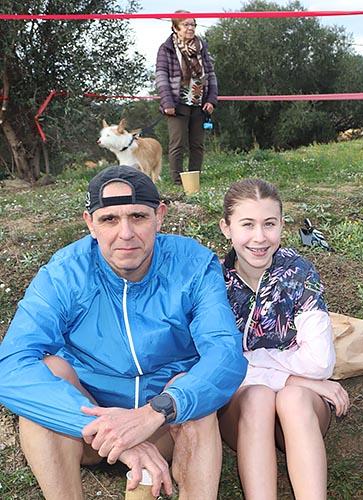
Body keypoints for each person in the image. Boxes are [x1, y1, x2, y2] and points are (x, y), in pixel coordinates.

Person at [0, 165, 246, 499]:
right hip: (86, 428)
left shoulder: (194, 264)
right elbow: (10, 365)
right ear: (90, 224)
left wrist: (158, 410)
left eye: (138, 217)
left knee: (192, 395)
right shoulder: (65, 273)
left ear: (160, 217)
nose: (125, 233)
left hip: (164, 426)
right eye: (109, 220)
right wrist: (108, 428)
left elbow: (225, 354)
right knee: (48, 375)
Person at [217, 178, 350, 499]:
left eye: (269, 224)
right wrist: (294, 378)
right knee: (259, 398)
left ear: (281, 225)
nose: (259, 237)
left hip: (302, 408)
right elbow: (217, 366)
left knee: (292, 399)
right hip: (241, 410)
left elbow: (319, 362)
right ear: (226, 228)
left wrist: (263, 366)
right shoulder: (214, 281)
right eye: (247, 224)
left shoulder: (298, 273)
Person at [155, 10, 218, 185]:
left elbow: (211, 75)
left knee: (197, 144)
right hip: (176, 104)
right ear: (175, 27)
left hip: (199, 102)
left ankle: (194, 180)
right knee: (178, 144)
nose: (190, 28)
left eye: (193, 24)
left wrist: (211, 100)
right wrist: (167, 102)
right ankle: (177, 182)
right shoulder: (166, 49)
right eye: (186, 24)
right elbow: (161, 77)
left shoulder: (202, 47)